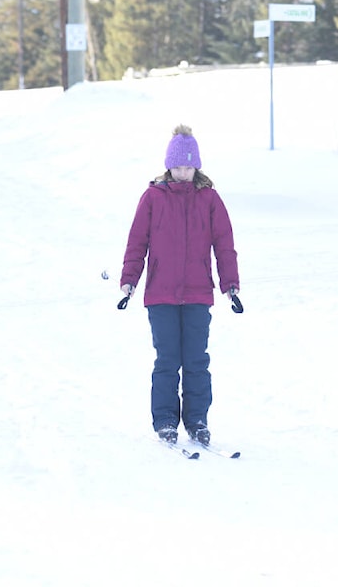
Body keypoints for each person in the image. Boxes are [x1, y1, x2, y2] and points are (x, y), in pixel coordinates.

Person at [120, 125, 240, 446]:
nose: (184, 172)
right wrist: (129, 282)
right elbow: (137, 243)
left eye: (189, 166)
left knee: (197, 360)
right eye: (178, 166)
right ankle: (165, 422)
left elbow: (224, 244)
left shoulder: (209, 199)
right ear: (168, 165)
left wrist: (230, 285)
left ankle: (197, 420)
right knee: (168, 360)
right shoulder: (152, 198)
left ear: (196, 165)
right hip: (161, 295)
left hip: (199, 293)